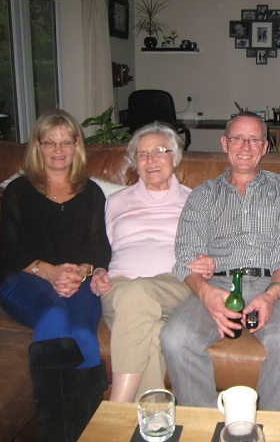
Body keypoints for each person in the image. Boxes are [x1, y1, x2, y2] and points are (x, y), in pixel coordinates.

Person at [160, 112, 280, 411]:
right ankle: (206, 427)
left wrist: (271, 295)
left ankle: (263, 427)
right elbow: (186, 256)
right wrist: (205, 292)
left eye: (254, 139)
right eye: (238, 138)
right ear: (225, 143)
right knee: (175, 338)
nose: (245, 146)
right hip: (217, 283)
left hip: (273, 283)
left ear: (265, 147)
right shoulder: (202, 195)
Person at [0, 108, 111, 441]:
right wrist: (49, 271)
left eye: (66, 142)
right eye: (50, 142)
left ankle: (89, 431)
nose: (58, 150)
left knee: (84, 334)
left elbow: (99, 247)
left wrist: (81, 272)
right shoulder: (19, 191)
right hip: (23, 279)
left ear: (77, 145)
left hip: (78, 279)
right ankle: (55, 430)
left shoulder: (92, 193)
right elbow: (11, 249)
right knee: (54, 314)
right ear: (38, 146)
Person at [91, 123, 214, 403]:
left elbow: (214, 249)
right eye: (142, 154)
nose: (151, 160)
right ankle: (155, 420)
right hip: (118, 287)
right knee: (154, 330)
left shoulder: (195, 201)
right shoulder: (115, 201)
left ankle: (116, 410)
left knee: (139, 294)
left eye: (159, 151)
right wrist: (98, 270)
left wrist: (209, 262)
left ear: (175, 157)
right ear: (134, 162)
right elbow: (100, 249)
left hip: (174, 284)